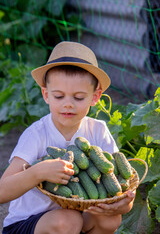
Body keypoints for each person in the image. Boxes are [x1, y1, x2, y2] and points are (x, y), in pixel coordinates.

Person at [0, 41, 135, 234]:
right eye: (59, 96)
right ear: (46, 95)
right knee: (68, 220)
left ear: (95, 97)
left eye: (78, 97)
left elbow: (122, 189)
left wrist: (121, 205)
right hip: (27, 225)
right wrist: (37, 172)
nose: (68, 104)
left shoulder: (98, 131)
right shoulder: (36, 134)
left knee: (109, 219)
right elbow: (2, 191)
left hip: (74, 223)